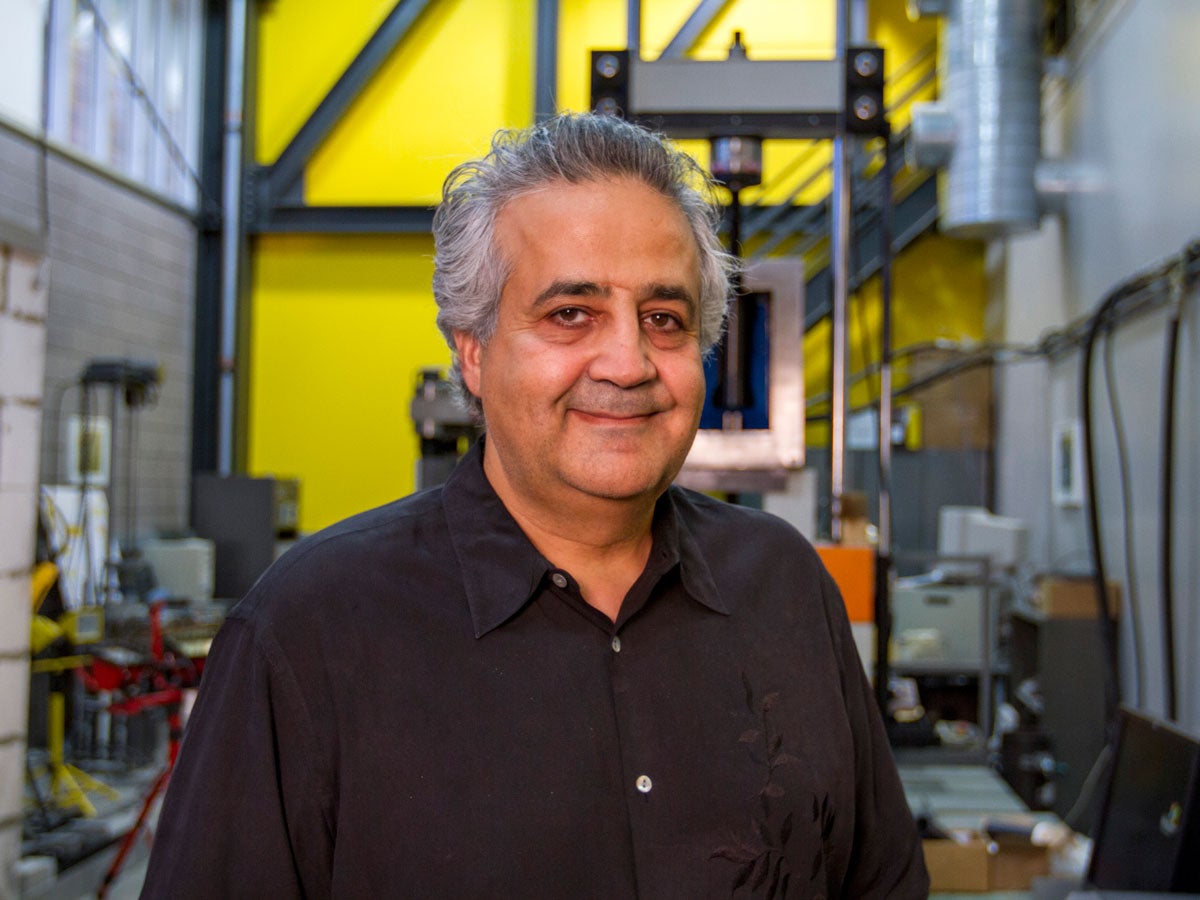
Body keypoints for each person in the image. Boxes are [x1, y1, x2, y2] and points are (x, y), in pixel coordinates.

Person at [141, 113, 928, 899]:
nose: (627, 363)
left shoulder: (784, 585)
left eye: (664, 319)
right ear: (473, 352)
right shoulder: (307, 633)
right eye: (569, 315)